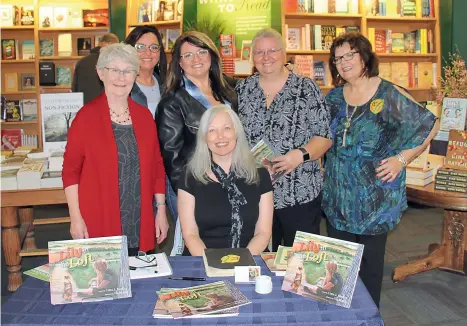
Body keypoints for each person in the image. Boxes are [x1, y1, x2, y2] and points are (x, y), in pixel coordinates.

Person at [322, 32, 439, 307]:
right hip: (339, 197)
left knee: (370, 270)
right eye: (338, 58)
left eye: (349, 55)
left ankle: (368, 318)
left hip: (375, 199)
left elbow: (429, 125)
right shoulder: (335, 98)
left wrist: (401, 159)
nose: (344, 62)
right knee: (338, 268)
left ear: (364, 56)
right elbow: (325, 138)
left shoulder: (387, 93)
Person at [63, 43, 169, 255]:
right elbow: (70, 172)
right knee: (104, 282)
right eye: (114, 70)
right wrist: (75, 218)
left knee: (138, 281)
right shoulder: (85, 118)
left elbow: (157, 166)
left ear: (135, 75)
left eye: (128, 70)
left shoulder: (144, 117)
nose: (121, 78)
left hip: (139, 218)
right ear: (101, 73)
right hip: (99, 220)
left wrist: (161, 210)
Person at [236, 28, 332, 251]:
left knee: (300, 261)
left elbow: (325, 137)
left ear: (283, 53)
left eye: (272, 50)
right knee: (258, 259)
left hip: (298, 192)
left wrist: (297, 156)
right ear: (252, 56)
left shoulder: (306, 88)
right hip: (255, 193)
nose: (266, 57)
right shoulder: (242, 90)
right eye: (259, 52)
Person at [156, 31, 237, 255]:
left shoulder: (230, 90)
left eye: (202, 52)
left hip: (232, 183)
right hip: (194, 188)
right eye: (188, 55)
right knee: (196, 248)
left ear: (211, 55)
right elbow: (172, 159)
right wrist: (198, 192)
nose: (196, 59)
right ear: (179, 63)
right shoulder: (172, 102)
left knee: (229, 244)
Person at [177, 105, 273, 256]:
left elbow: (263, 232)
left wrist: (240, 261)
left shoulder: (260, 175)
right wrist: (215, 263)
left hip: (250, 258)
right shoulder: (190, 176)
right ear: (204, 137)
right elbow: (190, 234)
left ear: (237, 133)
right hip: (203, 259)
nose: (220, 136)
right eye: (212, 130)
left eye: (227, 128)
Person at [124, 26, 167, 118]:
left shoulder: (167, 86)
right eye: (140, 47)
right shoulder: (120, 86)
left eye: (154, 47)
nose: (148, 53)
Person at [72, 33, 119, 104]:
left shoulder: (81, 62)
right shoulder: (114, 61)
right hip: (107, 107)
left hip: (85, 108)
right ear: (110, 44)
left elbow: (75, 89)